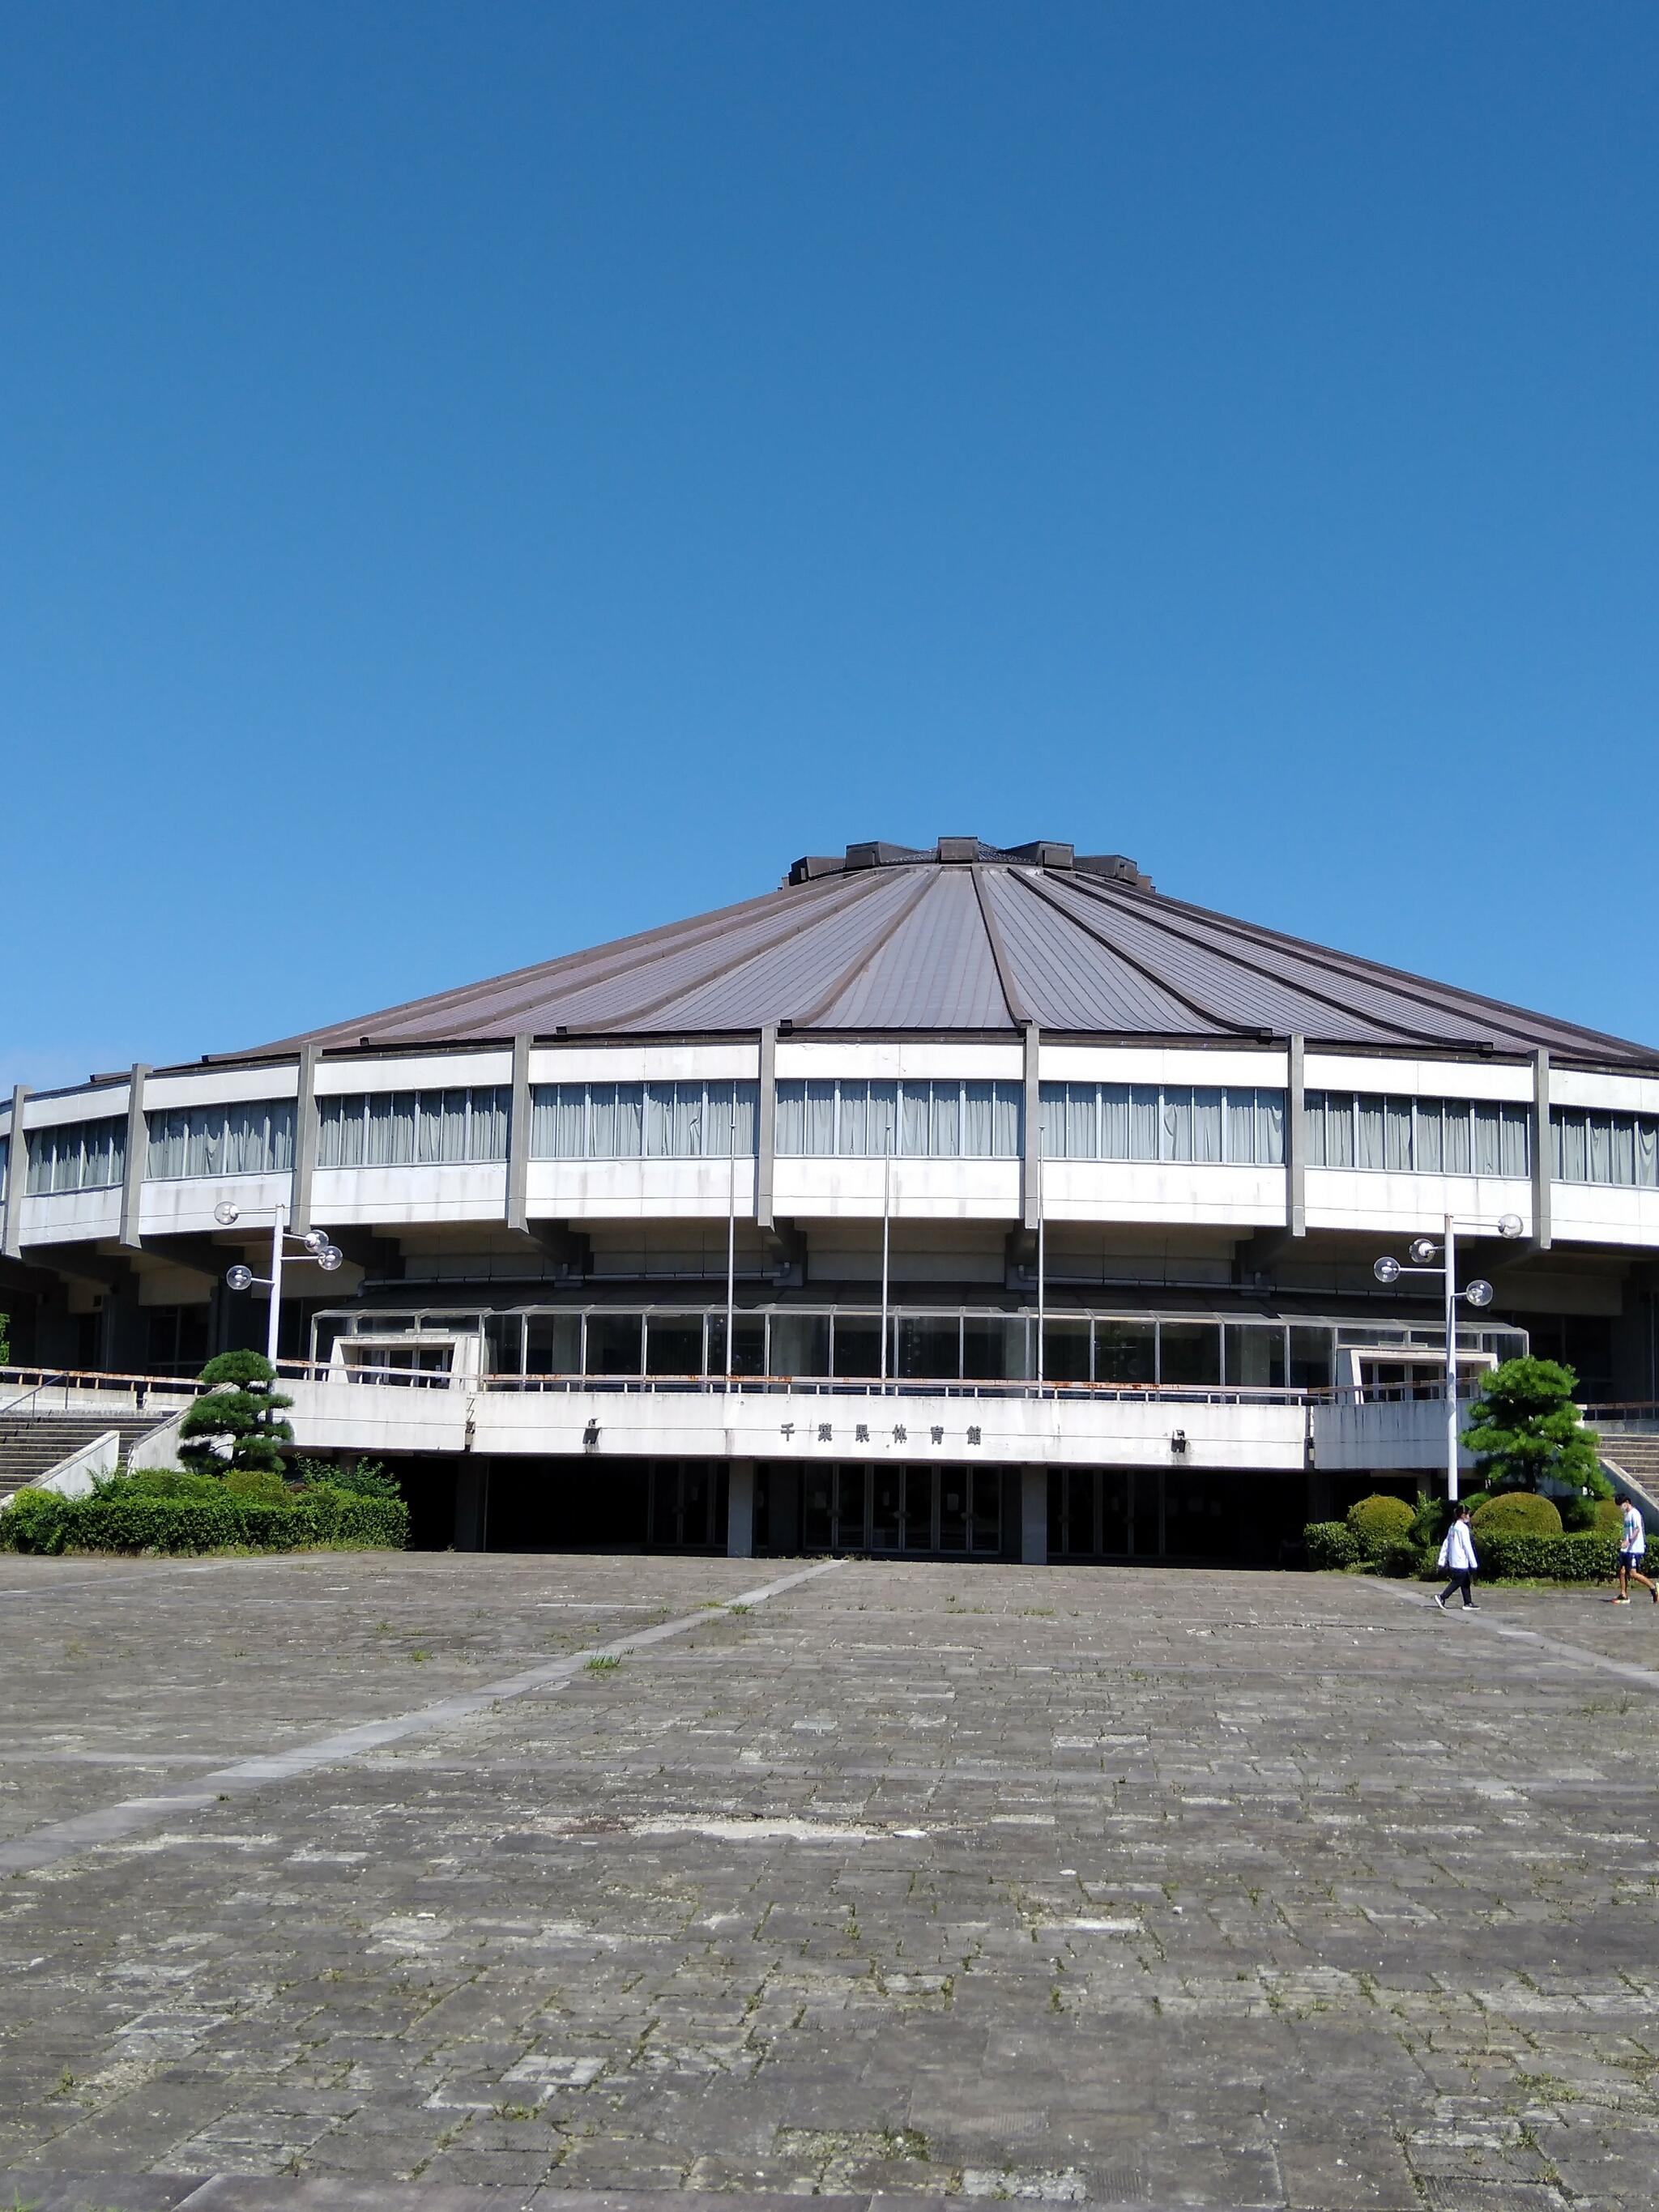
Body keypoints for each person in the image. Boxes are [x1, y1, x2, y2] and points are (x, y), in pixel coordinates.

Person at [1614, 1494, 1657, 1605]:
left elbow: (1637, 1529)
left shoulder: (1635, 1514)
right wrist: (1623, 1541)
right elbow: (1627, 1531)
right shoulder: (1626, 1515)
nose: (1621, 1508)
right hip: (1627, 1549)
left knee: (1632, 1573)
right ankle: (1623, 1594)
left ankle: (1653, 1587)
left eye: (1621, 1505)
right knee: (1622, 1571)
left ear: (1627, 1502)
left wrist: (1629, 1541)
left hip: (1635, 1548)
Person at [1435, 1505, 1478, 1610]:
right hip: (1461, 1561)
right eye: (1468, 1514)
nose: (1469, 1517)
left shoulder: (1453, 1527)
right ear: (1463, 1515)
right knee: (1457, 1581)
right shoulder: (1463, 1528)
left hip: (1453, 1560)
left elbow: (1446, 1544)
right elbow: (1467, 1546)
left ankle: (1468, 1602)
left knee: (1465, 1581)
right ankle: (1442, 1597)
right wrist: (1474, 1563)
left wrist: (1442, 1560)